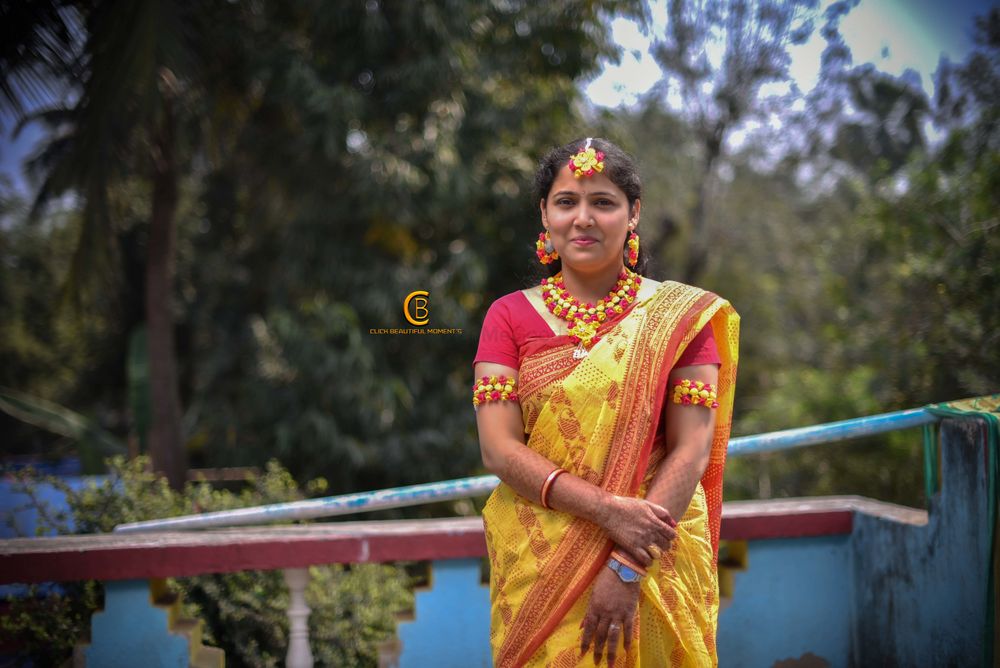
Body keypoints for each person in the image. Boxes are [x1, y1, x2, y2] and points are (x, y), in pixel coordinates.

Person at [472, 137, 739, 667]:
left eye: (604, 202)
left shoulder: (679, 318)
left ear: (633, 213)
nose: (584, 218)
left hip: (652, 562)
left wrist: (626, 567)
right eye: (567, 201)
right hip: (539, 562)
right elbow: (499, 450)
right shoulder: (507, 317)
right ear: (544, 215)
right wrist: (606, 510)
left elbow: (691, 451)